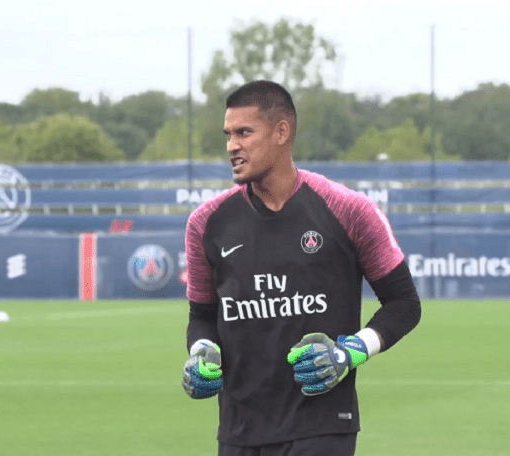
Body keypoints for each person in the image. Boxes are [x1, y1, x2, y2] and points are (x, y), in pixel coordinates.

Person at [180, 80, 422, 456]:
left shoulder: (349, 210)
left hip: (322, 426)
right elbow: (202, 317)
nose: (231, 146)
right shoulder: (206, 223)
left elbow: (404, 303)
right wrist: (201, 352)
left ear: (281, 132)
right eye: (228, 135)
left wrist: (350, 352)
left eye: (244, 132)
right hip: (238, 429)